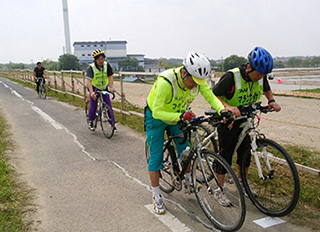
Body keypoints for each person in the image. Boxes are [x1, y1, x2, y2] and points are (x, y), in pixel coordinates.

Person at [145, 51, 228, 214]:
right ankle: (156, 195)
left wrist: (222, 110)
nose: (196, 85)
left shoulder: (197, 79)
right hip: (157, 117)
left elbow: (210, 96)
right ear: (184, 73)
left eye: (199, 82)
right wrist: (180, 116)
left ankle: (189, 178)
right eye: (194, 81)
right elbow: (157, 111)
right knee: (155, 158)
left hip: (179, 114)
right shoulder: (166, 82)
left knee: (186, 150)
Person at [212, 46, 281, 206]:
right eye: (258, 74)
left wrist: (271, 101)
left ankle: (243, 184)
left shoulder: (260, 75)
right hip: (228, 119)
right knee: (225, 155)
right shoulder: (231, 77)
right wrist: (227, 107)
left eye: (263, 75)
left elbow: (266, 88)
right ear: (249, 67)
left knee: (246, 152)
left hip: (245, 118)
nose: (260, 77)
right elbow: (214, 94)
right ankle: (219, 189)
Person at [86, 49, 116, 131]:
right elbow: (89, 81)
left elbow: (110, 77)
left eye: (102, 59)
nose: (101, 61)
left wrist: (111, 87)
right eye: (99, 59)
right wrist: (92, 92)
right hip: (94, 87)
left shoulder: (107, 65)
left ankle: (112, 124)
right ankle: (91, 121)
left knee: (108, 105)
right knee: (94, 105)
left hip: (104, 87)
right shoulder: (91, 67)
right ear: (95, 60)